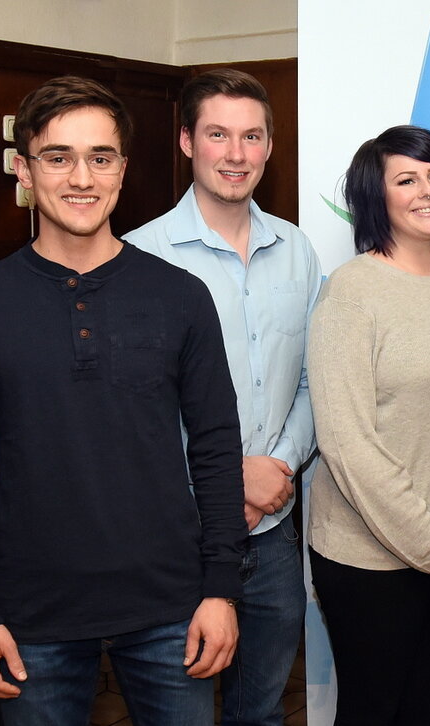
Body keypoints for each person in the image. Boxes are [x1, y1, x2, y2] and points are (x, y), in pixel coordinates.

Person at [0, 76, 246, 726]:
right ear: (24, 169)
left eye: (101, 157)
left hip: (171, 606)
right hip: (31, 615)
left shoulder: (180, 298)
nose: (82, 176)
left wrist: (221, 589)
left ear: (123, 169)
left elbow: (216, 450)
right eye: (58, 156)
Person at [124, 68, 320, 726]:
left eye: (251, 136)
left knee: (261, 714)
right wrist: (226, 474)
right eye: (217, 135)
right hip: (174, 538)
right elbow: (129, 413)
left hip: (269, 536)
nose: (236, 154)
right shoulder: (138, 257)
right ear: (186, 142)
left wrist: (280, 465)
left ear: (269, 146)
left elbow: (312, 380)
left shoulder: (296, 250)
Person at [306, 125, 430, 726]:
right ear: (377, 198)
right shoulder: (353, 291)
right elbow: (346, 444)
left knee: (427, 711)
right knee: (374, 712)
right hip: (370, 560)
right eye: (406, 179)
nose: (428, 190)